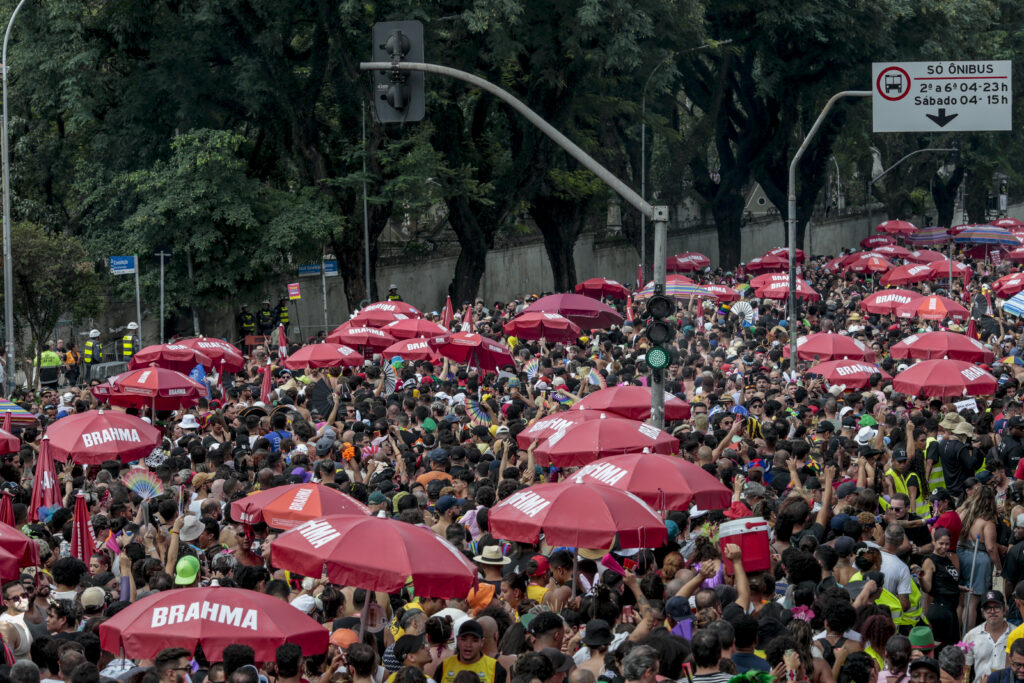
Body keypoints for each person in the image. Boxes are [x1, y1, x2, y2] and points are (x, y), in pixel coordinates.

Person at [920, 527, 960, 646]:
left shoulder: (947, 558)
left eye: (947, 544)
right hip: (940, 608)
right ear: (934, 542)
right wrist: (921, 578)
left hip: (950, 609)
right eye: (941, 543)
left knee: (952, 645)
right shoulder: (930, 560)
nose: (944, 547)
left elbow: (947, 581)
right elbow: (927, 588)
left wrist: (960, 588)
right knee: (943, 648)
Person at [433, 619, 507, 683]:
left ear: (482, 642)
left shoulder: (495, 668)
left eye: (474, 640)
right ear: (458, 640)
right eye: (464, 639)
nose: (468, 645)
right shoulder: (444, 666)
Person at [964, 591, 1011, 683]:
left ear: (1004, 609)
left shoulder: (1015, 634)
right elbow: (965, 671)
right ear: (982, 612)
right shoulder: (971, 636)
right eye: (988, 608)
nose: (992, 611)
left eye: (996, 607)